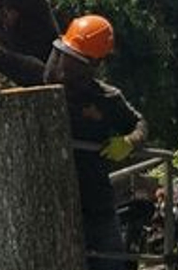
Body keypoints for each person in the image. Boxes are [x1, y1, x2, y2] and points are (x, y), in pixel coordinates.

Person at [44, 14, 148, 270]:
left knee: (110, 264)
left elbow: (140, 124)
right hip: (51, 204)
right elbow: (5, 58)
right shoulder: (42, 89)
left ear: (94, 64)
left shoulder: (107, 98)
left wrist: (129, 141)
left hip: (96, 205)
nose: (65, 68)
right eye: (64, 57)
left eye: (75, 62)